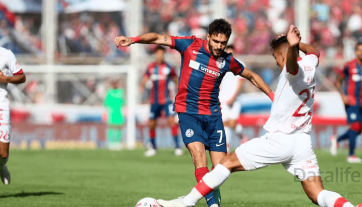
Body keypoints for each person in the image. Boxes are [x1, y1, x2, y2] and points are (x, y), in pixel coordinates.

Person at [156, 25, 362, 207]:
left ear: (283, 56)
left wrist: (292, 46)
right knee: (317, 194)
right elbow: (315, 51)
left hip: (280, 140)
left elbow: (291, 64)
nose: (276, 62)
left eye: (276, 57)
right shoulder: (310, 64)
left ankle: (186, 202)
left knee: (226, 163)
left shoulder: (292, 72)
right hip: (302, 143)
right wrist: (295, 43)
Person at [114, 19, 273, 207]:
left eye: (223, 43)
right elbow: (158, 38)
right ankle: (212, 204)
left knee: (221, 168)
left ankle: (206, 189)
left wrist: (273, 97)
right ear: (208, 37)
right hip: (188, 113)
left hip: (213, 116)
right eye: (216, 41)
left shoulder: (227, 61)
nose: (219, 46)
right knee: (198, 157)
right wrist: (132, 40)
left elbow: (252, 76)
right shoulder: (190, 45)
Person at [330, 42, 362, 163]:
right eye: (359, 50)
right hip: (350, 100)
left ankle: (337, 139)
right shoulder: (348, 66)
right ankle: (351, 155)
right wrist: (342, 95)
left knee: (359, 129)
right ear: (355, 52)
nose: (361, 52)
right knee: (355, 126)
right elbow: (338, 82)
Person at [0, 22, 27, 185]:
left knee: (3, 154)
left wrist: (5, 78)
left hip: (0, 108)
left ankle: (0, 166)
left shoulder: (6, 54)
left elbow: (21, 77)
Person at [140, 46, 182, 157]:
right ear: (155, 54)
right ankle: (153, 147)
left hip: (167, 99)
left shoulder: (168, 67)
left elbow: (176, 78)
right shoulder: (151, 67)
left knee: (171, 121)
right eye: (158, 53)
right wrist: (141, 87)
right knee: (152, 124)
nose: (160, 55)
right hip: (154, 101)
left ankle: (177, 147)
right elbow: (144, 79)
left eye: (162, 53)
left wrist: (180, 90)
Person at [219, 45, 247, 153]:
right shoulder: (221, 65)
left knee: (232, 123)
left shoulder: (239, 65)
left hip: (234, 99)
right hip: (222, 98)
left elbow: (240, 83)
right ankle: (227, 146)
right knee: (225, 123)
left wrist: (233, 97)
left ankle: (243, 137)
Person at [104, 79, 125, 150]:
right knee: (111, 127)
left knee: (119, 127)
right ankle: (111, 142)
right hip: (111, 112)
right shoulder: (109, 92)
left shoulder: (121, 91)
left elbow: (124, 102)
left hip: (119, 112)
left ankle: (118, 142)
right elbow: (106, 103)